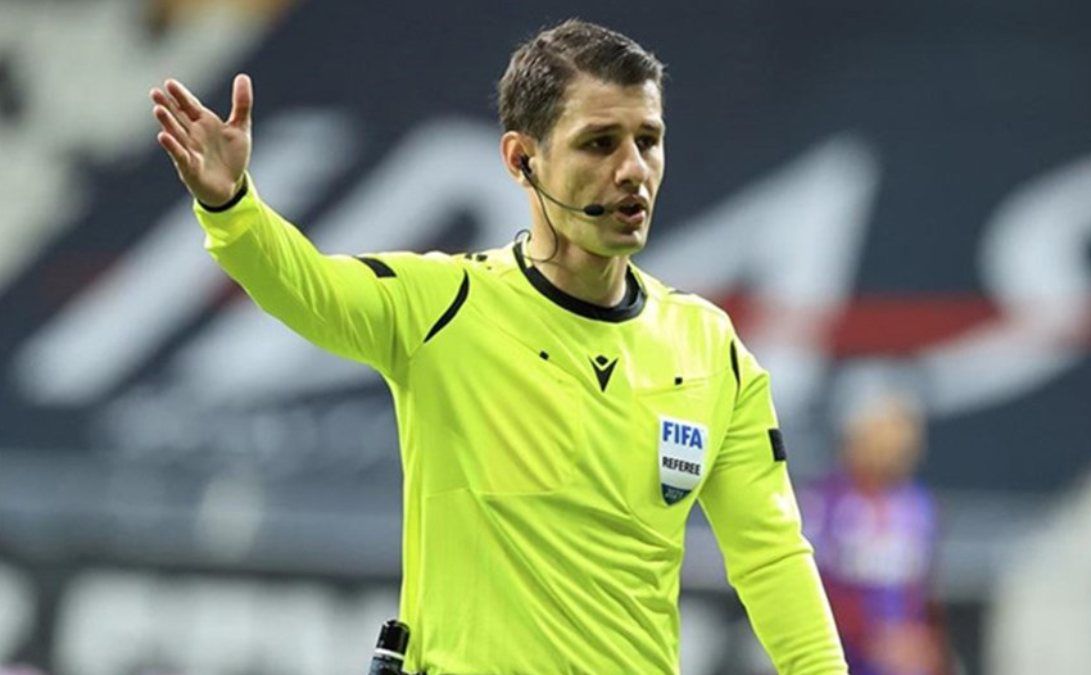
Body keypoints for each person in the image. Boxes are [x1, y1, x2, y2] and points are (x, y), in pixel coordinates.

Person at [150, 19, 846, 674]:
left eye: (648, 139)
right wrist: (232, 207)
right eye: (600, 143)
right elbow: (309, 288)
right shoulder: (442, 307)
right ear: (522, 160)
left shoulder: (709, 347)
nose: (633, 168)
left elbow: (770, 554)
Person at [801, 369, 946, 675]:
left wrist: (927, 642)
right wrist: (871, 639)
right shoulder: (822, 503)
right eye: (886, 428)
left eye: (904, 428)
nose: (898, 442)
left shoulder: (918, 504)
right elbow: (810, 590)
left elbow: (921, 592)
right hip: (838, 653)